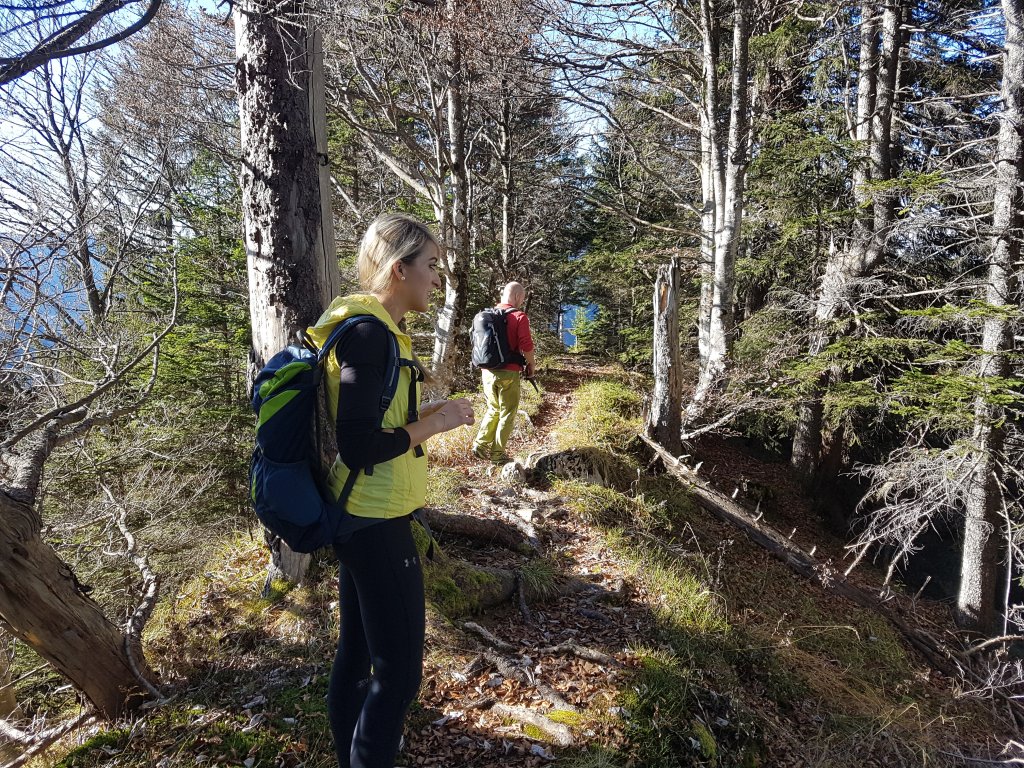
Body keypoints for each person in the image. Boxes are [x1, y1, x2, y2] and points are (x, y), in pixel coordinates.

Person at [305, 213, 475, 768]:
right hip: (374, 521)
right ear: (399, 270)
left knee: (357, 655)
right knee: (398, 675)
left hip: (363, 516)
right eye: (430, 265)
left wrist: (427, 412)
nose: (437, 278)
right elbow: (359, 446)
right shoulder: (370, 335)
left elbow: (374, 424)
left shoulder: (375, 330)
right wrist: (437, 425)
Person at [472, 281, 535, 464]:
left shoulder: (486, 315)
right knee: (507, 413)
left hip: (487, 371)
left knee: (493, 409)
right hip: (509, 372)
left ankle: (480, 444)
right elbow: (526, 345)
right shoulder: (519, 316)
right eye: (522, 299)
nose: (522, 302)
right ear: (517, 296)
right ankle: (498, 454)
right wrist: (531, 364)